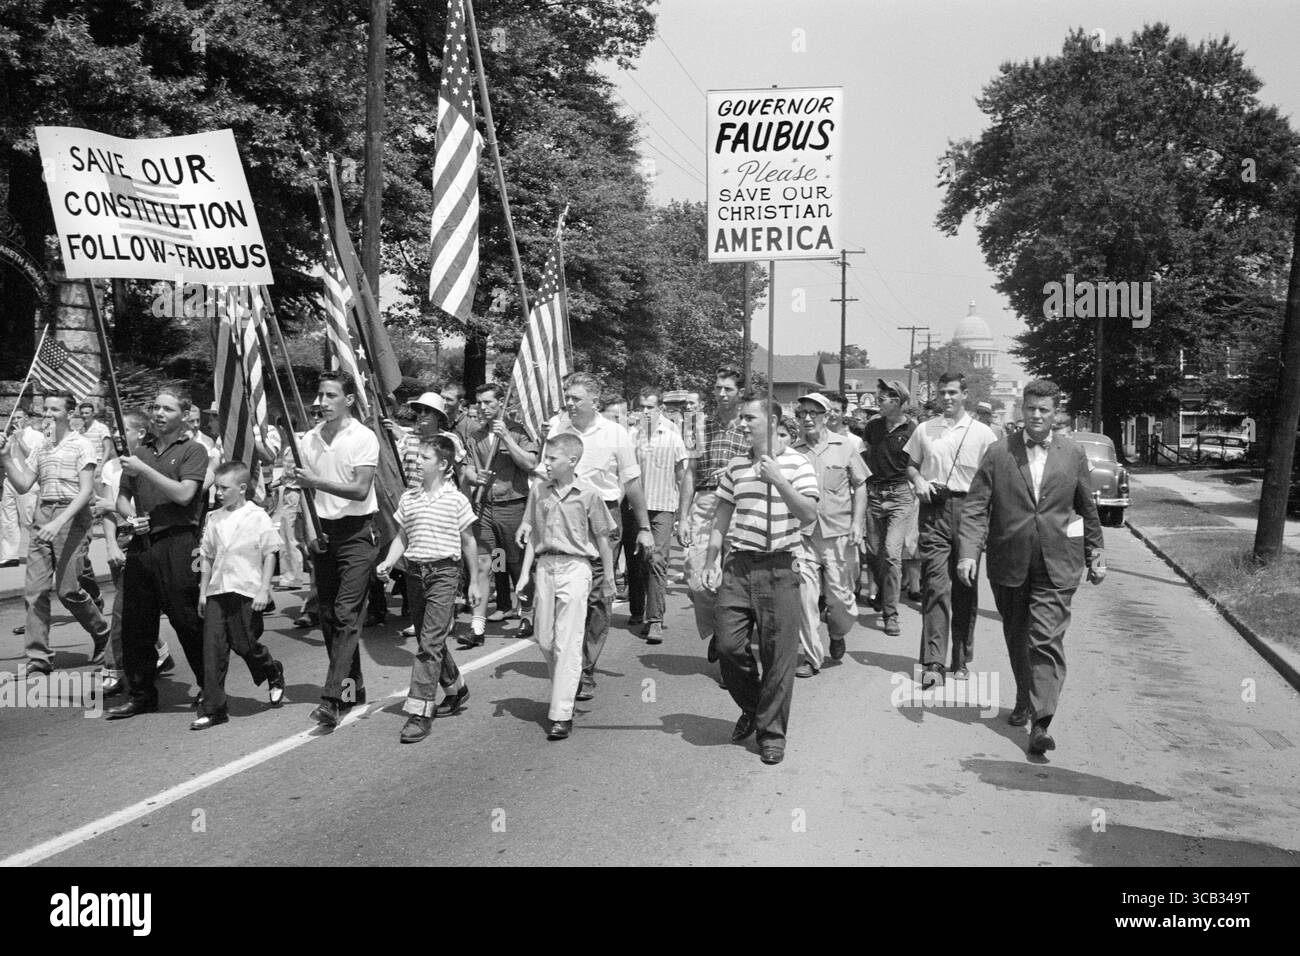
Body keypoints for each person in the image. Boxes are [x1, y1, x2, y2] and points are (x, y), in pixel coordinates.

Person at [957, 379, 1106, 755]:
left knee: (1045, 639)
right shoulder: (998, 452)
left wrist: (1096, 552)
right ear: (1022, 410)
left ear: (1056, 414)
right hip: (1009, 560)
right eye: (1031, 409)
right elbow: (977, 506)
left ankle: (1041, 722)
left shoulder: (1072, 454)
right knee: (1017, 635)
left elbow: (1086, 506)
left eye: (1045, 410)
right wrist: (968, 553)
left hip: (1058, 561)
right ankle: (1024, 695)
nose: (1037, 416)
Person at [703, 394, 819, 766]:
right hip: (739, 564)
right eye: (741, 418)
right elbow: (722, 514)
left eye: (750, 418)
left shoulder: (797, 464)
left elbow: (808, 515)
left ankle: (771, 734)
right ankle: (754, 707)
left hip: (781, 567)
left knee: (778, 658)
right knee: (728, 646)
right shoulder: (736, 466)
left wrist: (779, 480)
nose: (742, 424)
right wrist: (711, 559)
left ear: (771, 420)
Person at [535, 371, 654, 704]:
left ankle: (584, 668)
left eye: (575, 398)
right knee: (566, 594)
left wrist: (643, 527)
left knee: (597, 595)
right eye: (567, 397)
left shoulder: (616, 434)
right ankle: (565, 656)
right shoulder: (559, 432)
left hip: (604, 519)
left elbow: (631, 484)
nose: (569, 403)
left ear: (594, 401)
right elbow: (542, 477)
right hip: (562, 519)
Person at [105, 389, 209, 719]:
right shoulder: (140, 451)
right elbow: (123, 496)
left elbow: (184, 494)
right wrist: (128, 516)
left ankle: (210, 686)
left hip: (177, 543)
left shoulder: (194, 451)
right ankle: (141, 693)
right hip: (142, 544)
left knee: (187, 620)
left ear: (184, 413)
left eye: (167, 408)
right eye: (155, 407)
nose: (159, 413)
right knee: (136, 625)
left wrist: (144, 469)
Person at [285, 370, 380, 729]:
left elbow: (359, 489)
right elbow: (305, 492)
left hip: (357, 533)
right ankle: (352, 686)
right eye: (320, 395)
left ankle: (333, 698)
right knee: (328, 616)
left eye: (330, 396)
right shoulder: (309, 439)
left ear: (349, 400)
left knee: (346, 614)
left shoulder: (363, 437)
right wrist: (308, 532)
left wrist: (317, 481)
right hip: (322, 532)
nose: (321, 402)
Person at [0, 392, 111, 677]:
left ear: (69, 412)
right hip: (43, 515)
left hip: (71, 518)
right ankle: (38, 656)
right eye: (45, 410)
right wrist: (5, 458)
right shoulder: (43, 447)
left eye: (54, 410)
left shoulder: (82, 445)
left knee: (68, 590)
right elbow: (24, 484)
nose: (48, 414)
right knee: (34, 591)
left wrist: (58, 521)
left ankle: (103, 632)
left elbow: (86, 491)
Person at [377, 437, 479, 743]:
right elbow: (402, 537)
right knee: (428, 639)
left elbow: (469, 541)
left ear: (444, 465)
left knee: (429, 644)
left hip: (445, 573)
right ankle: (456, 687)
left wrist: (474, 581)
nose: (417, 461)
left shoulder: (456, 499)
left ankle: (420, 711)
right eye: (418, 456)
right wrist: (388, 561)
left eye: (424, 457)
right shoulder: (410, 498)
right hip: (414, 574)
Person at [514, 432, 615, 741]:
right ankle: (566, 689)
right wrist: (522, 575)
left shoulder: (589, 494)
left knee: (568, 642)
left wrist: (609, 578)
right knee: (544, 639)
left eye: (552, 458)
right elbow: (532, 534)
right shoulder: (539, 492)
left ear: (571, 461)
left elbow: (602, 538)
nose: (546, 462)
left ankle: (561, 711)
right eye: (546, 457)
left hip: (576, 567)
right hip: (545, 566)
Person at [904, 372, 997, 689]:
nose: (947, 398)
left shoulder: (983, 434)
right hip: (934, 512)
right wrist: (917, 481)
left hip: (971, 513)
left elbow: (995, 481)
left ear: (965, 394)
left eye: (953, 392)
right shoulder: (924, 429)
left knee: (965, 587)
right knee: (936, 586)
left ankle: (960, 656)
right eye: (942, 392)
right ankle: (932, 661)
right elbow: (911, 464)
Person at [192, 461, 287, 730]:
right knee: (212, 650)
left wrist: (264, 588)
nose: (218, 493)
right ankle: (214, 709)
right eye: (217, 488)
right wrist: (202, 591)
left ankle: (272, 670)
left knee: (245, 644)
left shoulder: (257, 516)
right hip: (218, 590)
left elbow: (270, 553)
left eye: (224, 488)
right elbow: (207, 557)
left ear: (242, 488)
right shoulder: (214, 518)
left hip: (246, 588)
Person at [95, 409, 174, 698]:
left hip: (150, 541)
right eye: (115, 431)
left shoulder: (151, 463)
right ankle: (160, 651)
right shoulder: (111, 468)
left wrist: (123, 513)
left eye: (123, 430)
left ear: (140, 433)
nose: (117, 435)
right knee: (131, 608)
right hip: (123, 540)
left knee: (125, 610)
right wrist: (111, 544)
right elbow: (106, 508)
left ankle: (113, 669)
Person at [790, 392, 867, 676]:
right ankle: (812, 657)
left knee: (841, 601)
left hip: (838, 534)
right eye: (802, 414)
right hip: (803, 536)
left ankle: (837, 632)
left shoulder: (844, 446)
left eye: (814, 413)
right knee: (804, 598)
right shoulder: (792, 452)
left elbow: (860, 485)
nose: (807, 419)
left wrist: (858, 523)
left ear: (826, 416)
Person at [680, 366, 749, 661]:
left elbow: (765, 464)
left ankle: (728, 642)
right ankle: (719, 629)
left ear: (740, 393)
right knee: (698, 580)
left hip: (740, 505)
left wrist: (736, 470)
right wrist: (683, 517)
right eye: (718, 388)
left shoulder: (750, 427)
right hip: (706, 502)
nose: (721, 394)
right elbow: (690, 474)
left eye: (728, 389)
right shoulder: (699, 426)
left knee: (730, 580)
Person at [461, 383, 537, 641]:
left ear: (502, 403)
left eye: (488, 402)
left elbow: (531, 464)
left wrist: (505, 437)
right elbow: (467, 468)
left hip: (513, 507)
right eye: (479, 402)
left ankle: (527, 614)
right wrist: (475, 477)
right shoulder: (475, 435)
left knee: (516, 564)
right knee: (485, 564)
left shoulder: (518, 432)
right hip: (483, 508)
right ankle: (477, 626)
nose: (482, 407)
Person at [627, 386, 691, 644]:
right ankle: (641, 611)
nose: (645, 412)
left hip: (663, 507)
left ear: (660, 408)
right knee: (640, 562)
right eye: (641, 407)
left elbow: (682, 475)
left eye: (650, 407)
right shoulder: (632, 435)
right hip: (635, 507)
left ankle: (655, 620)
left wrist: (683, 514)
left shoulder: (672, 436)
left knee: (656, 560)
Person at [863, 380, 918, 636]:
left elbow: (917, 463)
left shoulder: (912, 429)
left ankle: (891, 614)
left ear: (896, 401)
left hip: (900, 496)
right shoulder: (873, 427)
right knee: (873, 552)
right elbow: (864, 455)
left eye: (882, 398)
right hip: (874, 494)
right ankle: (884, 591)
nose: (878, 402)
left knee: (891, 553)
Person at [1, 406, 43, 567]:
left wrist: (20, 440)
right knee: (8, 519)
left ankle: (40, 551)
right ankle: (10, 555)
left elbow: (34, 458)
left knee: (29, 518)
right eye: (14, 418)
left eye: (19, 418)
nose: (16, 421)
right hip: (10, 479)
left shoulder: (36, 435)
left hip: (27, 481)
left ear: (26, 418)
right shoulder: (9, 436)